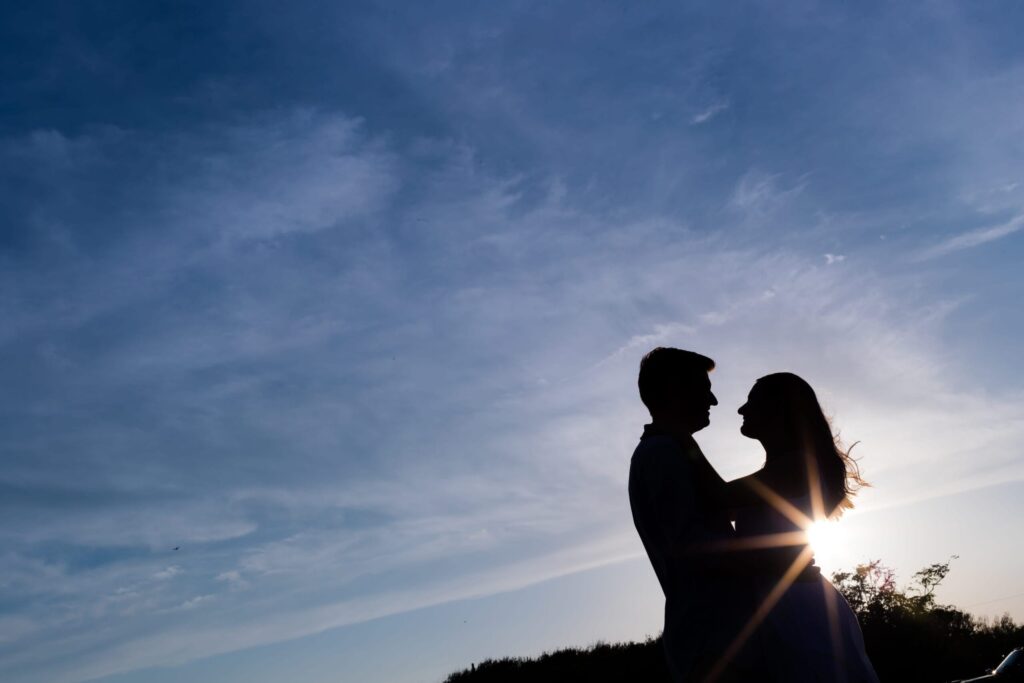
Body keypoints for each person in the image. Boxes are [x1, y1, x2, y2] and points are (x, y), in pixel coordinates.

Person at [723, 372, 880, 683]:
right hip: (788, 603)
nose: (741, 409)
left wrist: (678, 439)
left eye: (752, 401)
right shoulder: (782, 470)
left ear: (779, 411)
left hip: (799, 609)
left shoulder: (796, 467)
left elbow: (713, 497)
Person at [628, 348, 754, 682]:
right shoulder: (660, 453)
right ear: (673, 390)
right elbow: (691, 544)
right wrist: (773, 558)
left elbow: (723, 504)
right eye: (703, 388)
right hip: (711, 640)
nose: (712, 400)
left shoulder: (674, 448)